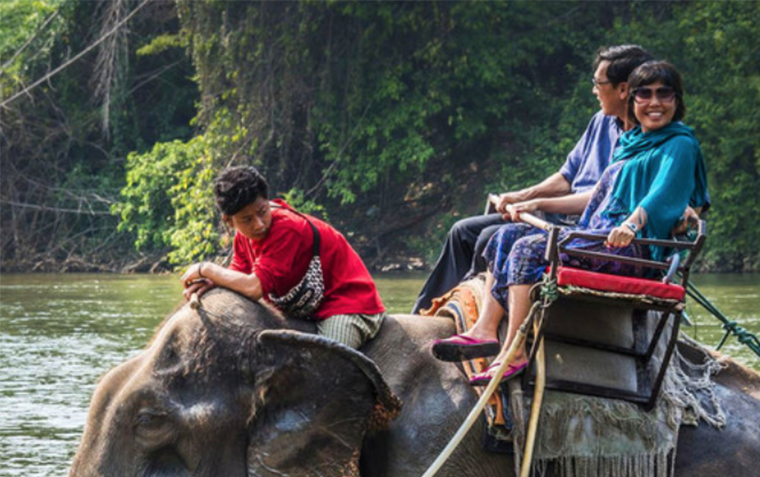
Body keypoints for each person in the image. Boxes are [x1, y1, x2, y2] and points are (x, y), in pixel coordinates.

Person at [442, 60, 709, 384]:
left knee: (528, 248)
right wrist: (536, 202)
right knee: (505, 235)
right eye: (645, 94)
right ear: (633, 100)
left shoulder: (680, 143)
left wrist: (632, 225)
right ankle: (484, 329)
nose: (654, 103)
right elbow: (597, 195)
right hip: (596, 235)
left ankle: (515, 351)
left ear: (676, 100)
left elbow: (663, 192)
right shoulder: (631, 143)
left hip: (629, 248)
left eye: (664, 94)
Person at [411, 44, 653, 314]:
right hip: (558, 219)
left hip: (588, 228)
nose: (594, 90)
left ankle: (474, 312)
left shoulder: (647, 143)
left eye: (598, 83)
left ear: (622, 89)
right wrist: (521, 196)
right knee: (463, 231)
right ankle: (424, 313)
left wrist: (537, 203)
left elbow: (603, 199)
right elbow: (566, 177)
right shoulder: (601, 121)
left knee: (489, 238)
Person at [181, 166, 385, 349]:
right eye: (247, 219)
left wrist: (207, 270)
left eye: (262, 212)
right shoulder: (243, 238)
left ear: (267, 202)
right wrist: (211, 283)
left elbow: (253, 288)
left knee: (325, 365)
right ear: (229, 221)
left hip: (348, 305)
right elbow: (237, 277)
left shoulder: (286, 228)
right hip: (306, 312)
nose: (259, 224)